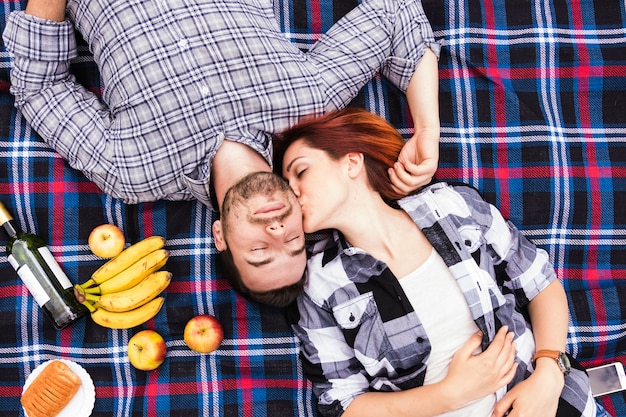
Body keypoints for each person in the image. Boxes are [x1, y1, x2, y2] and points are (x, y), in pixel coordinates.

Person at [3, 0, 440, 294]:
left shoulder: (133, 170)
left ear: (220, 237)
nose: (277, 234)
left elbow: (39, 88)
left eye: (259, 253)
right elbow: (393, 14)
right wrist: (426, 130)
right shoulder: (310, 107)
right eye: (294, 244)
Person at [272, 108, 605, 417]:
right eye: (287, 185)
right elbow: (343, 404)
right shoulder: (318, 285)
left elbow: (540, 284)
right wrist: (451, 394)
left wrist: (550, 371)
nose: (292, 192)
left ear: (352, 162)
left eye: (300, 172)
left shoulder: (452, 207)